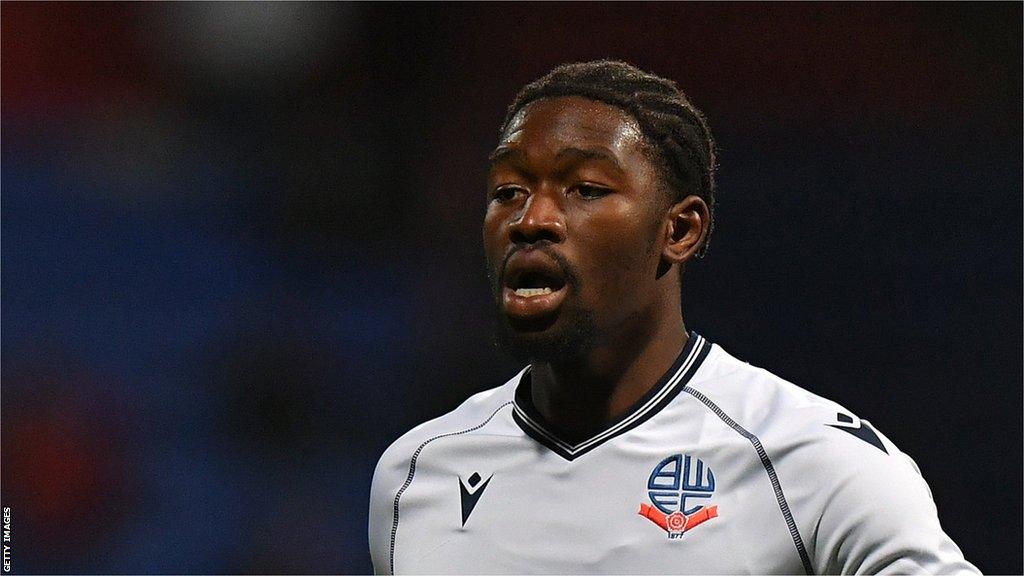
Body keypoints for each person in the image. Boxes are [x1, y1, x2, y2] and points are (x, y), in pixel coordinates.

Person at [368, 60, 978, 575]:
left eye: (584, 189)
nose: (531, 219)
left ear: (679, 230)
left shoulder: (811, 464)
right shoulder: (414, 476)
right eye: (507, 191)